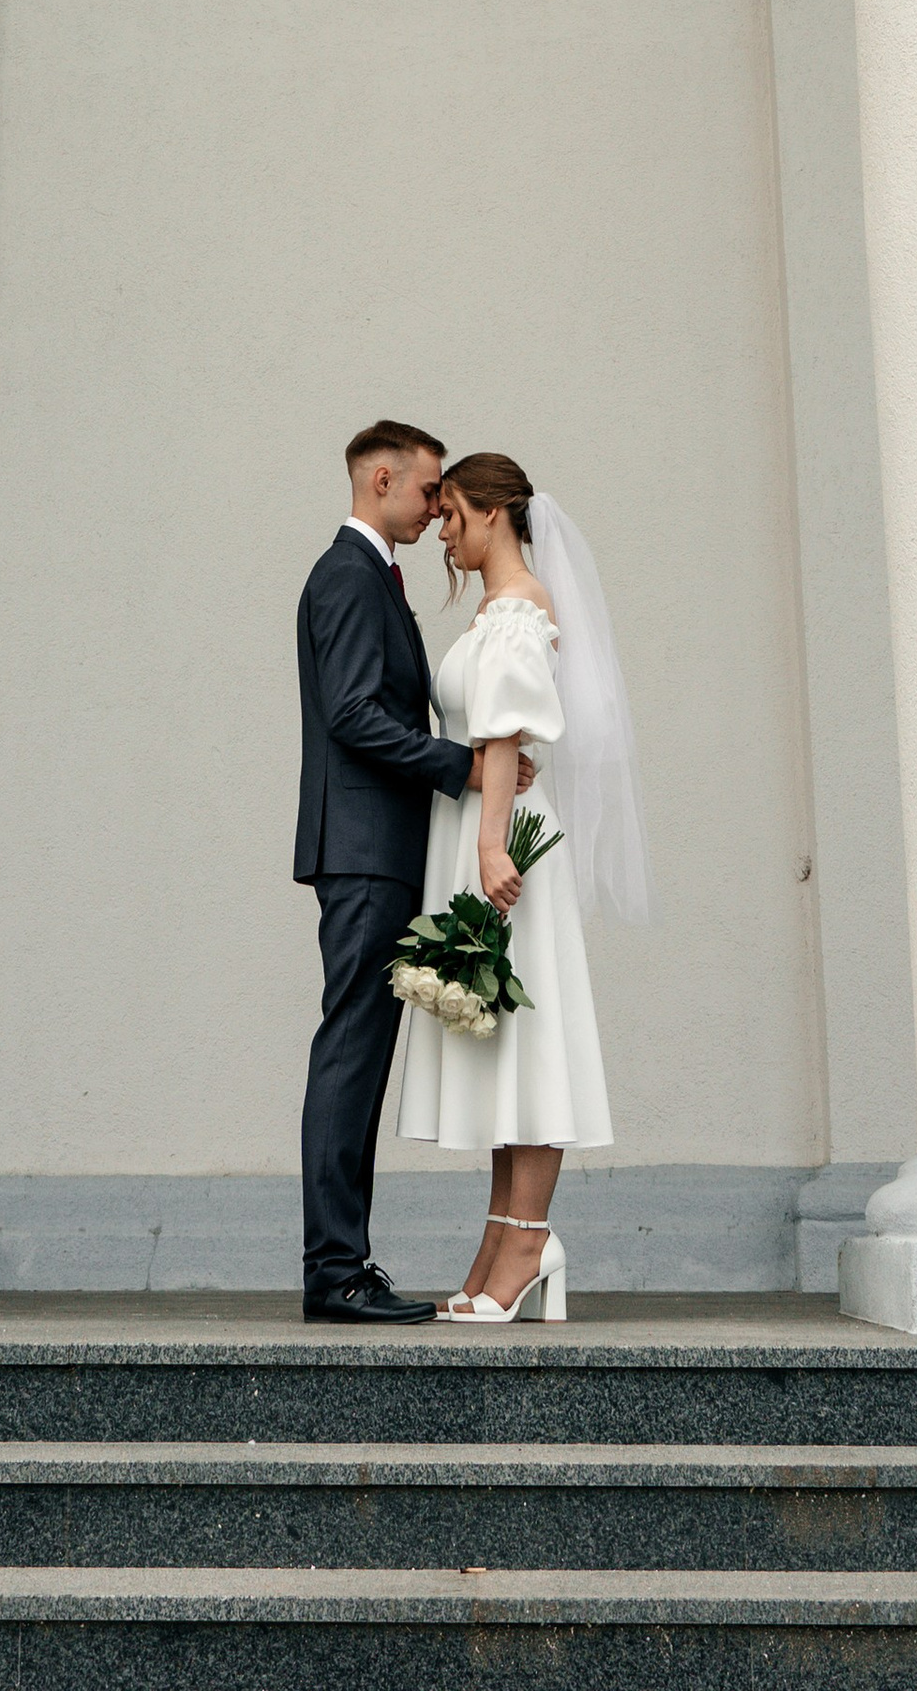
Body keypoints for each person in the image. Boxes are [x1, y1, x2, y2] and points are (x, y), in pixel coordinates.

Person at [399, 451, 652, 1323]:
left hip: (503, 850)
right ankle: (502, 1239)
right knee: (501, 1050)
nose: (443, 528)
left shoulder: (519, 609)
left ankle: (529, 1238)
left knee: (528, 1047)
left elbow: (505, 733)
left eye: (455, 514)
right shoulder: (491, 615)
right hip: (479, 836)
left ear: (495, 513)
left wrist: (492, 848)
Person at [292, 421, 478, 1323]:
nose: (437, 505)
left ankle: (342, 1264)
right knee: (351, 1057)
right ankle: (335, 1272)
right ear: (379, 478)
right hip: (364, 854)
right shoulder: (348, 577)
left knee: (359, 1059)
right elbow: (355, 714)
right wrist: (457, 765)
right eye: (428, 488)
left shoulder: (371, 577)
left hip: (378, 853)